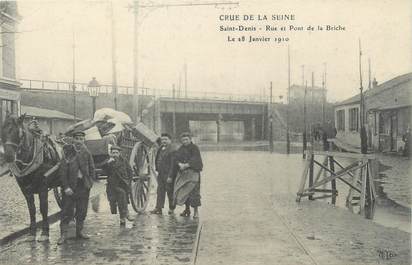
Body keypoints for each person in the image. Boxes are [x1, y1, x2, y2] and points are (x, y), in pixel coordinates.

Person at [57, 131, 96, 245]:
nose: (79, 141)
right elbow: (62, 172)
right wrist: (66, 187)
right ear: (73, 140)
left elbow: (92, 168)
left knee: (82, 210)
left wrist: (90, 182)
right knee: (66, 211)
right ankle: (63, 235)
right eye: (77, 139)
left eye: (81, 139)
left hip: (83, 186)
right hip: (70, 188)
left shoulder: (86, 153)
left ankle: (79, 232)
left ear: (84, 140)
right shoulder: (68, 152)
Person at [103, 145, 135, 225]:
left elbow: (130, 171)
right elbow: (103, 170)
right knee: (120, 196)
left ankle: (123, 217)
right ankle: (125, 214)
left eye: (116, 153)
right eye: (113, 152)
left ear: (119, 153)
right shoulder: (108, 161)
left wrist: (128, 182)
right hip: (112, 185)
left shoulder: (124, 161)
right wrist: (108, 163)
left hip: (123, 184)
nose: (115, 154)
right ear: (110, 153)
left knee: (122, 197)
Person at [174, 132, 203, 219]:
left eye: (186, 139)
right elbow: (176, 158)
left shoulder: (194, 148)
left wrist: (187, 165)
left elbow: (196, 159)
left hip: (193, 173)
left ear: (190, 139)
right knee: (184, 192)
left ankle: (196, 212)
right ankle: (187, 209)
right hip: (183, 174)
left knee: (194, 193)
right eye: (183, 140)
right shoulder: (181, 149)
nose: (185, 141)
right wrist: (179, 164)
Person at [150, 133, 178, 215]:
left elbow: (173, 164)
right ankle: (158, 208)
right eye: (162, 140)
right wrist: (157, 169)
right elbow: (157, 158)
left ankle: (171, 208)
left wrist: (170, 176)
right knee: (160, 191)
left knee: (170, 191)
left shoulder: (173, 150)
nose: (164, 141)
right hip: (161, 173)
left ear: (170, 140)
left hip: (169, 174)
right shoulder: (161, 148)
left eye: (166, 139)